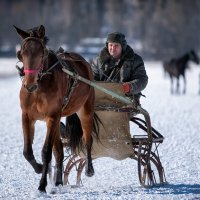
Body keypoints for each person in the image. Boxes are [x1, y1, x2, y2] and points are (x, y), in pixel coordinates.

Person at [91, 32, 148, 105]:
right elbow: (92, 79)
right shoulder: (98, 61)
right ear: (107, 45)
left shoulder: (135, 60)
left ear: (122, 46)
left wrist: (129, 87)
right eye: (110, 45)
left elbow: (142, 79)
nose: (112, 48)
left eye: (116, 46)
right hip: (102, 98)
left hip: (127, 98)